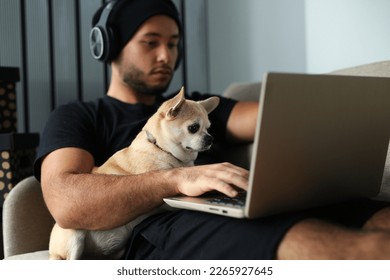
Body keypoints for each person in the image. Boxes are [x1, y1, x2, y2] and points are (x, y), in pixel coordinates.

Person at [35, 0, 390, 260]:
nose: (166, 56)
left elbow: (277, 115)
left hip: (229, 201)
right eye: (150, 42)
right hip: (166, 224)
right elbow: (67, 203)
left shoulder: (200, 106)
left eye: (173, 44)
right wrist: (175, 180)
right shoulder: (78, 115)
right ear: (108, 45)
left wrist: (345, 110)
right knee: (364, 252)